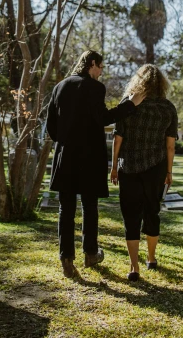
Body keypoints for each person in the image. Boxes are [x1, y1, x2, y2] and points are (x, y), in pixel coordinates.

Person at [47, 50, 146, 277]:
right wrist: (131, 104)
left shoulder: (59, 87)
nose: (101, 72)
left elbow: (51, 126)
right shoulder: (95, 88)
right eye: (101, 67)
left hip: (65, 156)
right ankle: (91, 254)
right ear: (92, 64)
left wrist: (65, 141)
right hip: (90, 158)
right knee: (89, 207)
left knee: (66, 209)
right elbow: (103, 118)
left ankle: (66, 259)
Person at [111, 64, 177, 281]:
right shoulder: (168, 108)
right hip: (156, 167)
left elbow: (117, 138)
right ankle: (151, 258)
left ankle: (134, 267)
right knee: (152, 211)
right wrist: (169, 171)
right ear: (162, 84)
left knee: (131, 215)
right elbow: (170, 145)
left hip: (128, 166)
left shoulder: (129, 105)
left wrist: (113, 167)